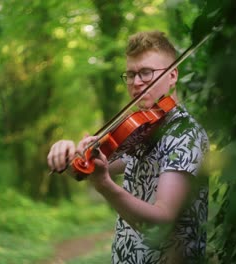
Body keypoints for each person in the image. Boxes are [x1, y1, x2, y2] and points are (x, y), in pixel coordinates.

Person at [47, 31, 209, 264]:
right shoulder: (142, 130)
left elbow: (161, 223)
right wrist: (69, 152)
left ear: (172, 75)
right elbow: (89, 169)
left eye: (146, 72)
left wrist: (104, 185)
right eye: (131, 74)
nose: (136, 82)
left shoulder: (185, 134)